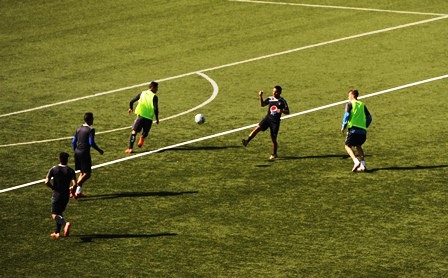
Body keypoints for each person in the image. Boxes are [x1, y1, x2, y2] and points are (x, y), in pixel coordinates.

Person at [242, 85, 290, 160]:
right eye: (273, 91)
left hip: (275, 122)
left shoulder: (282, 101)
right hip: (267, 119)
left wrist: (282, 111)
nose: (274, 93)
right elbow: (262, 104)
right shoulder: (270, 99)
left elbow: (288, 111)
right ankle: (247, 141)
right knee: (257, 128)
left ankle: (274, 154)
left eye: (276, 92)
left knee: (273, 139)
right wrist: (260, 96)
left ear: (280, 92)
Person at [72, 112, 104, 198]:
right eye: (92, 119)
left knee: (82, 173)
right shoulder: (91, 130)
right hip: (84, 153)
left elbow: (73, 142)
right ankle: (73, 187)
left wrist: (75, 151)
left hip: (77, 152)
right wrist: (99, 150)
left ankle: (78, 193)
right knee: (87, 174)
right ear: (90, 120)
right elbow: (91, 142)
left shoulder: (78, 129)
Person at [45, 152, 77, 239]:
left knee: (54, 215)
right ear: (67, 160)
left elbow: (46, 181)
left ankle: (65, 224)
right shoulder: (71, 171)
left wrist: (52, 187)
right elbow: (75, 184)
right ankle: (57, 232)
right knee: (59, 213)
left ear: (59, 159)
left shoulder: (54, 169)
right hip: (65, 195)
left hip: (57, 195)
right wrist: (72, 192)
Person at [341, 89, 372, 172]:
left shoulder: (349, 104)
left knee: (347, 146)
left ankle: (356, 161)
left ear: (352, 95)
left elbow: (346, 115)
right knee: (358, 146)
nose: (348, 97)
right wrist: (365, 126)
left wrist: (343, 126)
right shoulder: (362, 105)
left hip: (353, 130)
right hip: (362, 132)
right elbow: (369, 118)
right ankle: (363, 164)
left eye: (349, 95)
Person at [125, 81, 160, 154]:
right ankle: (142, 137)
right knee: (145, 132)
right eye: (156, 88)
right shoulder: (154, 97)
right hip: (149, 118)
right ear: (153, 88)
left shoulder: (142, 93)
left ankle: (130, 148)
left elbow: (131, 101)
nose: (157, 90)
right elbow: (156, 109)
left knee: (134, 131)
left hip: (140, 117)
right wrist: (157, 118)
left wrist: (130, 108)